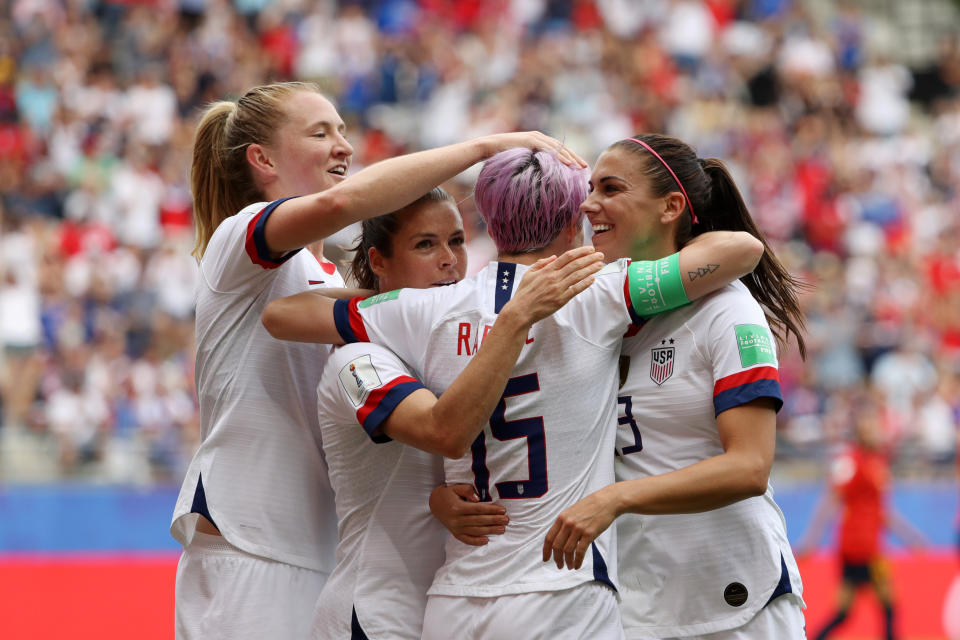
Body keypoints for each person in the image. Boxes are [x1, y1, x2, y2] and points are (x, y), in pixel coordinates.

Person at [262, 147, 762, 639]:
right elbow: (741, 249)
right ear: (572, 226)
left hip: (455, 598)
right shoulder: (602, 291)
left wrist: (397, 300)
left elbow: (282, 315)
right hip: (560, 591)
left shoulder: (423, 311)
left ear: (489, 223)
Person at [170, 79, 585, 639]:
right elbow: (343, 205)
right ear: (262, 159)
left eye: (342, 130)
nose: (343, 145)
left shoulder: (337, 291)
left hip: (320, 544)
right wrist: (484, 149)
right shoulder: (237, 240)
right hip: (252, 539)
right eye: (320, 133)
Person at [541, 133, 808, 639]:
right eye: (590, 187)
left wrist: (616, 498)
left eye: (611, 188)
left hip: (739, 601)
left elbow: (750, 466)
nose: (588, 203)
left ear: (670, 207)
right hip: (640, 604)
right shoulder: (595, 312)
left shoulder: (727, 310)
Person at [309, 187, 604, 639]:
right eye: (425, 244)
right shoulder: (356, 359)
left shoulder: (461, 338)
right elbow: (441, 430)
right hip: (377, 612)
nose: (449, 259)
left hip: (451, 607)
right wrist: (434, 501)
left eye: (458, 240)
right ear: (379, 261)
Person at [799, 397, 926, 640]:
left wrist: (910, 536)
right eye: (868, 423)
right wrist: (811, 538)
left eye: (875, 423)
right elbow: (830, 500)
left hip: (862, 546)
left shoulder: (877, 461)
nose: (873, 428)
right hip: (862, 547)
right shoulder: (851, 462)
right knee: (889, 607)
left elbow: (881, 512)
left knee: (844, 613)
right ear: (859, 429)